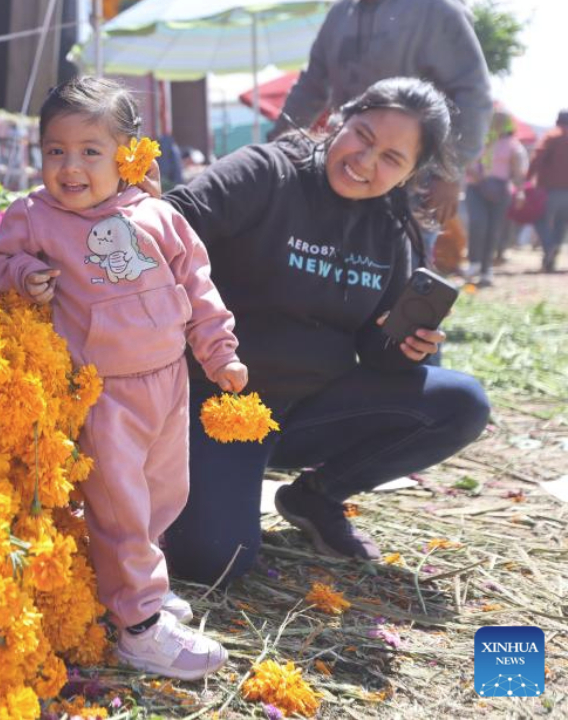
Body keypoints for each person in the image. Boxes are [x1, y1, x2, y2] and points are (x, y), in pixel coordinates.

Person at [147, 78, 489, 586]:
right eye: (363, 137)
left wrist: (404, 348)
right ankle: (187, 482)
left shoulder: (391, 231)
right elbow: (168, 224)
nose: (366, 162)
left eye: (392, 158)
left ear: (410, 174)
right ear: (337, 120)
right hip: (220, 404)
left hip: (309, 411)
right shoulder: (266, 173)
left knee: (462, 402)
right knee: (212, 562)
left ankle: (316, 496)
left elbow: (374, 349)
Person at [0, 77, 245, 680]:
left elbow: (197, 286)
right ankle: (140, 628)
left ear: (129, 153)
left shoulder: (158, 215)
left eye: (90, 151)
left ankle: (134, 589)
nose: (70, 167)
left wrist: (218, 352)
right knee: (121, 508)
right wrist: (21, 270)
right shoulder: (34, 216)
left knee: (161, 496)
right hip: (102, 392)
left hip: (169, 380)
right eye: (55, 151)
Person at [270, 0, 493, 228]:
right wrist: (277, 145)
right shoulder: (339, 13)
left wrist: (450, 172)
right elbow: (311, 85)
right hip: (342, 165)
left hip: (411, 181)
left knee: (401, 258)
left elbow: (473, 92)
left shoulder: (436, 10)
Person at [465, 110, 528, 286]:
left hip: (500, 191)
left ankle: (486, 270)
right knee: (478, 224)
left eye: (501, 121)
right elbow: (467, 163)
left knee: (493, 229)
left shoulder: (514, 146)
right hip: (476, 188)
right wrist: (477, 175)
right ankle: (474, 262)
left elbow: (518, 172)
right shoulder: (479, 141)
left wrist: (521, 191)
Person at [528, 110, 568, 272]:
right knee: (561, 223)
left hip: (549, 189)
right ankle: (553, 251)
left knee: (539, 219)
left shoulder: (552, 136)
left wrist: (527, 178)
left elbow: (537, 156)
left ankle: (549, 246)